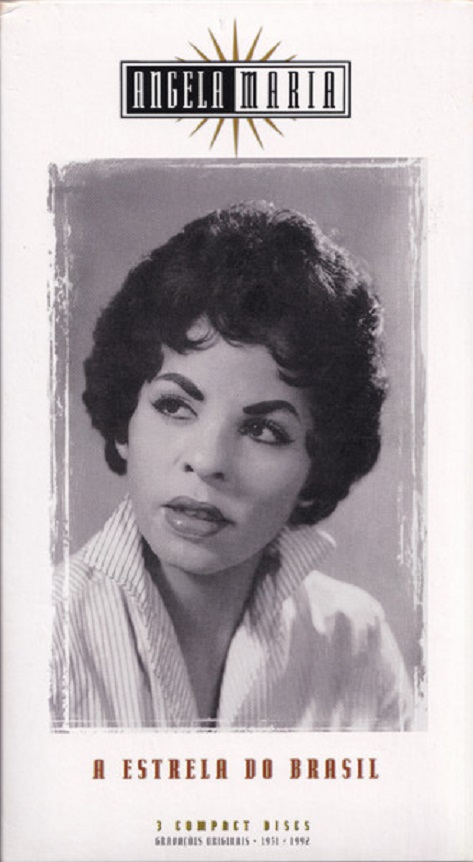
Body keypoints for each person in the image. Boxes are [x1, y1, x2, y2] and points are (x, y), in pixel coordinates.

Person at [51, 201, 413, 730]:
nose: (207, 461)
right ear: (125, 420)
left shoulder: (357, 645)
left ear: (317, 465)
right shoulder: (37, 638)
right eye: (174, 406)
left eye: (264, 430)